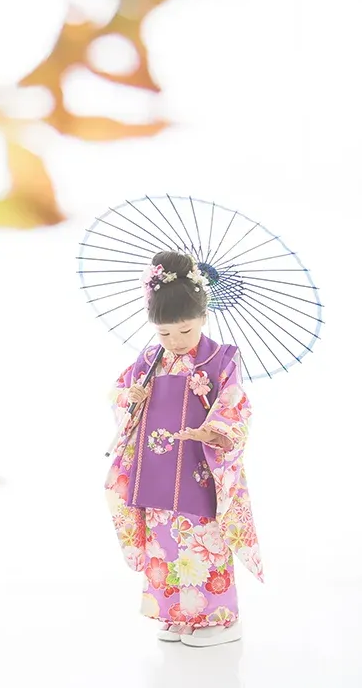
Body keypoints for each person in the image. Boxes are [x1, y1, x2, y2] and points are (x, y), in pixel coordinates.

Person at [104, 251, 263, 647]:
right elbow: (118, 394)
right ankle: (176, 614)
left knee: (202, 541)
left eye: (185, 330)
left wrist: (212, 431)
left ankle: (218, 619)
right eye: (164, 333)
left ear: (203, 316)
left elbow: (236, 407)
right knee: (164, 541)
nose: (174, 341)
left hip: (198, 467)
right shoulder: (148, 359)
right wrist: (131, 397)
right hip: (156, 468)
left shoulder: (221, 359)